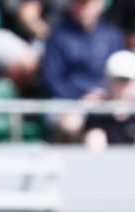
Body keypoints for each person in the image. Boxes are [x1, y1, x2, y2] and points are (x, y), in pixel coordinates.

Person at [40, 0, 125, 141]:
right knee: (70, 124)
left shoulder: (112, 35)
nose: (85, 9)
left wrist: (105, 94)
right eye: (80, 4)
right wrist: (81, 97)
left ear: (100, 5)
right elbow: (51, 78)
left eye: (89, 4)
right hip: (67, 101)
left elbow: (120, 73)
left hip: (107, 99)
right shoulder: (58, 36)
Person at [84, 49, 135, 149]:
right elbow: (94, 144)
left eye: (125, 80)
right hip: (103, 158)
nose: (121, 85)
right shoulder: (98, 111)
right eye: (117, 79)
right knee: (95, 136)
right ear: (107, 80)